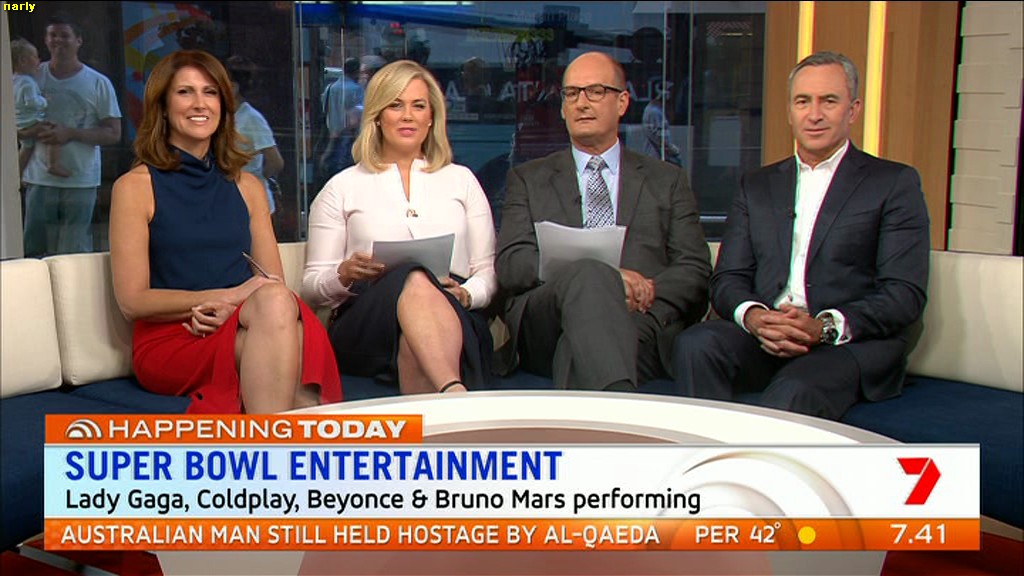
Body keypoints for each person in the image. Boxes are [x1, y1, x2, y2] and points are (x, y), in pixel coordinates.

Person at [672, 51, 931, 420]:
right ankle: (707, 454)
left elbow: (904, 294)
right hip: (767, 335)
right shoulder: (757, 185)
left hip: (845, 344)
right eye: (803, 101)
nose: (814, 114)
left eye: (829, 101)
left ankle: (756, 461)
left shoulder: (893, 183)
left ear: (853, 110)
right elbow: (728, 278)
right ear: (790, 111)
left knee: (795, 389)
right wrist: (756, 317)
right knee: (696, 345)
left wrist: (822, 326)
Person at [109, 50, 342, 414]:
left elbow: (271, 283)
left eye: (211, 92)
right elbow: (132, 302)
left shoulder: (248, 186)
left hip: (243, 322)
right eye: (184, 92)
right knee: (289, 351)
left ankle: (270, 441)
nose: (200, 103)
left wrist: (234, 308)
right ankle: (296, 439)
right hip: (175, 339)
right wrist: (229, 296)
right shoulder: (134, 187)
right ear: (163, 107)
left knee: (279, 312)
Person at [495, 51, 711, 391]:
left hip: (639, 318)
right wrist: (605, 280)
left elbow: (694, 268)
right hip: (546, 322)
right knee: (590, 276)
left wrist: (645, 292)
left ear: (622, 102)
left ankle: (608, 407)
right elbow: (511, 263)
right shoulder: (528, 178)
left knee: (580, 344)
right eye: (571, 93)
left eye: (595, 91)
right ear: (563, 107)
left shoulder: (666, 180)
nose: (581, 103)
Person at [302, 59, 498, 395]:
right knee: (414, 274)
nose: (408, 115)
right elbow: (310, 289)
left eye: (418, 106)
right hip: (367, 320)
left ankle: (448, 392)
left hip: (453, 312)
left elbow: (486, 273)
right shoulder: (342, 187)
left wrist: (467, 294)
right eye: (395, 105)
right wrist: (344, 274)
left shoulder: (462, 180)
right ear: (377, 115)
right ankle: (454, 393)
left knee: (415, 338)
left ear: (431, 117)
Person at [21, 14, 123, 258]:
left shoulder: (98, 83)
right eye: (52, 35)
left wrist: (69, 134)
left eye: (64, 35)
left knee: (74, 255)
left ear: (78, 40)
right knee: (33, 252)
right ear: (45, 40)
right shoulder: (31, 77)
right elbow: (13, 122)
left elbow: (113, 133)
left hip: (80, 181)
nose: (58, 40)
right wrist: (34, 131)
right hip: (38, 179)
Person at [225, 55, 284, 214]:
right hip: (229, 197)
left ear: (233, 87)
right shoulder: (224, 116)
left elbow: (276, 162)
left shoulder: (251, 118)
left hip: (252, 200)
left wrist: (256, 177)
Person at [11, 37, 69, 178]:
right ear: (23, 61)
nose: (39, 60)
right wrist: (43, 100)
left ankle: (17, 175)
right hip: (31, 121)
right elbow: (31, 102)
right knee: (53, 132)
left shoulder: (13, 80)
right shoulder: (27, 82)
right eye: (35, 57)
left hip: (19, 122)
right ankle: (53, 165)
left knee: (26, 148)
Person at [318, 56, 363, 184]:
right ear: (356, 71)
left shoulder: (330, 88)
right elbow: (358, 115)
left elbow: (325, 110)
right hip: (348, 136)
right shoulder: (356, 89)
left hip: (331, 135)